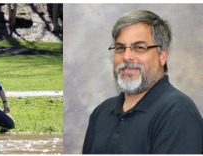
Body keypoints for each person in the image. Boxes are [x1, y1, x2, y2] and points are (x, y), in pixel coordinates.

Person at [82, 10, 203, 154]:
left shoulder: (177, 112)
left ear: (162, 56)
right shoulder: (101, 112)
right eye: (120, 48)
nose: (127, 57)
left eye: (139, 47)